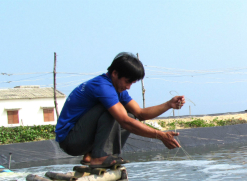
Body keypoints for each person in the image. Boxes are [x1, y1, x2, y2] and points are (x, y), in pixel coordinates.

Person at [55, 52, 185, 168]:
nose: (128, 87)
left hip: (82, 138)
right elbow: (124, 121)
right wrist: (160, 135)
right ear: (115, 73)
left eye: (132, 83)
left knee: (130, 115)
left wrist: (169, 104)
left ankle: (92, 155)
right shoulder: (102, 86)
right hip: (70, 140)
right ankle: (100, 156)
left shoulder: (117, 88)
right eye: (127, 82)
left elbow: (140, 113)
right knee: (116, 112)